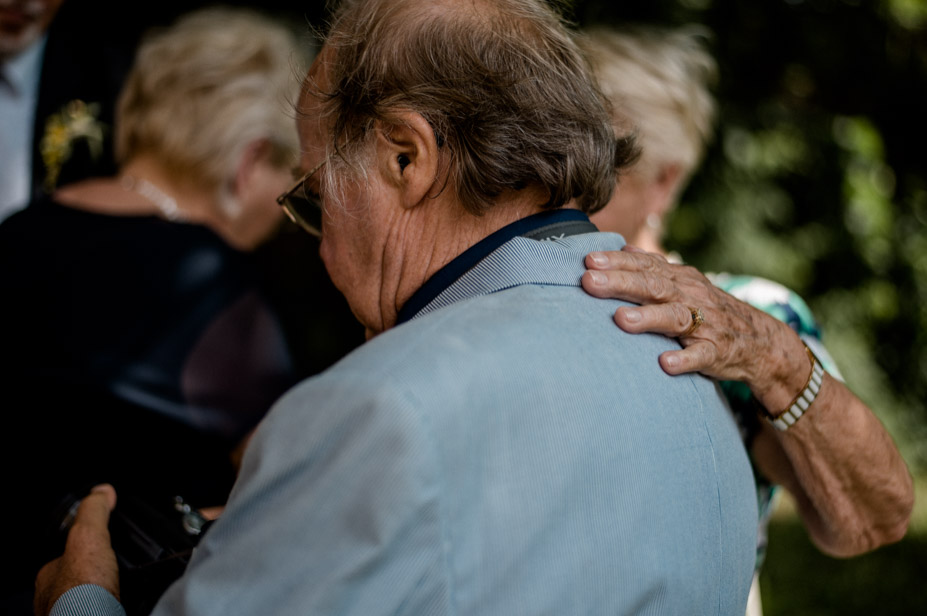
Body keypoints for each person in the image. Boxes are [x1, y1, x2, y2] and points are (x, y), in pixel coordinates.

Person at [36, 0, 761, 614]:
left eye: (313, 197)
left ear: (405, 158)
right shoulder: (702, 388)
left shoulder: (375, 409)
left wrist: (81, 598)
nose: (319, 249)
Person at [574, 24, 915, 615]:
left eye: (599, 164)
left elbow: (871, 518)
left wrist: (770, 354)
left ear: (666, 180)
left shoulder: (750, 310)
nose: (565, 187)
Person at [1, 6, 308, 612]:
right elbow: (299, 488)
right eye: (292, 181)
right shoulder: (213, 285)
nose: (284, 217)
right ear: (249, 165)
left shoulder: (17, 233)